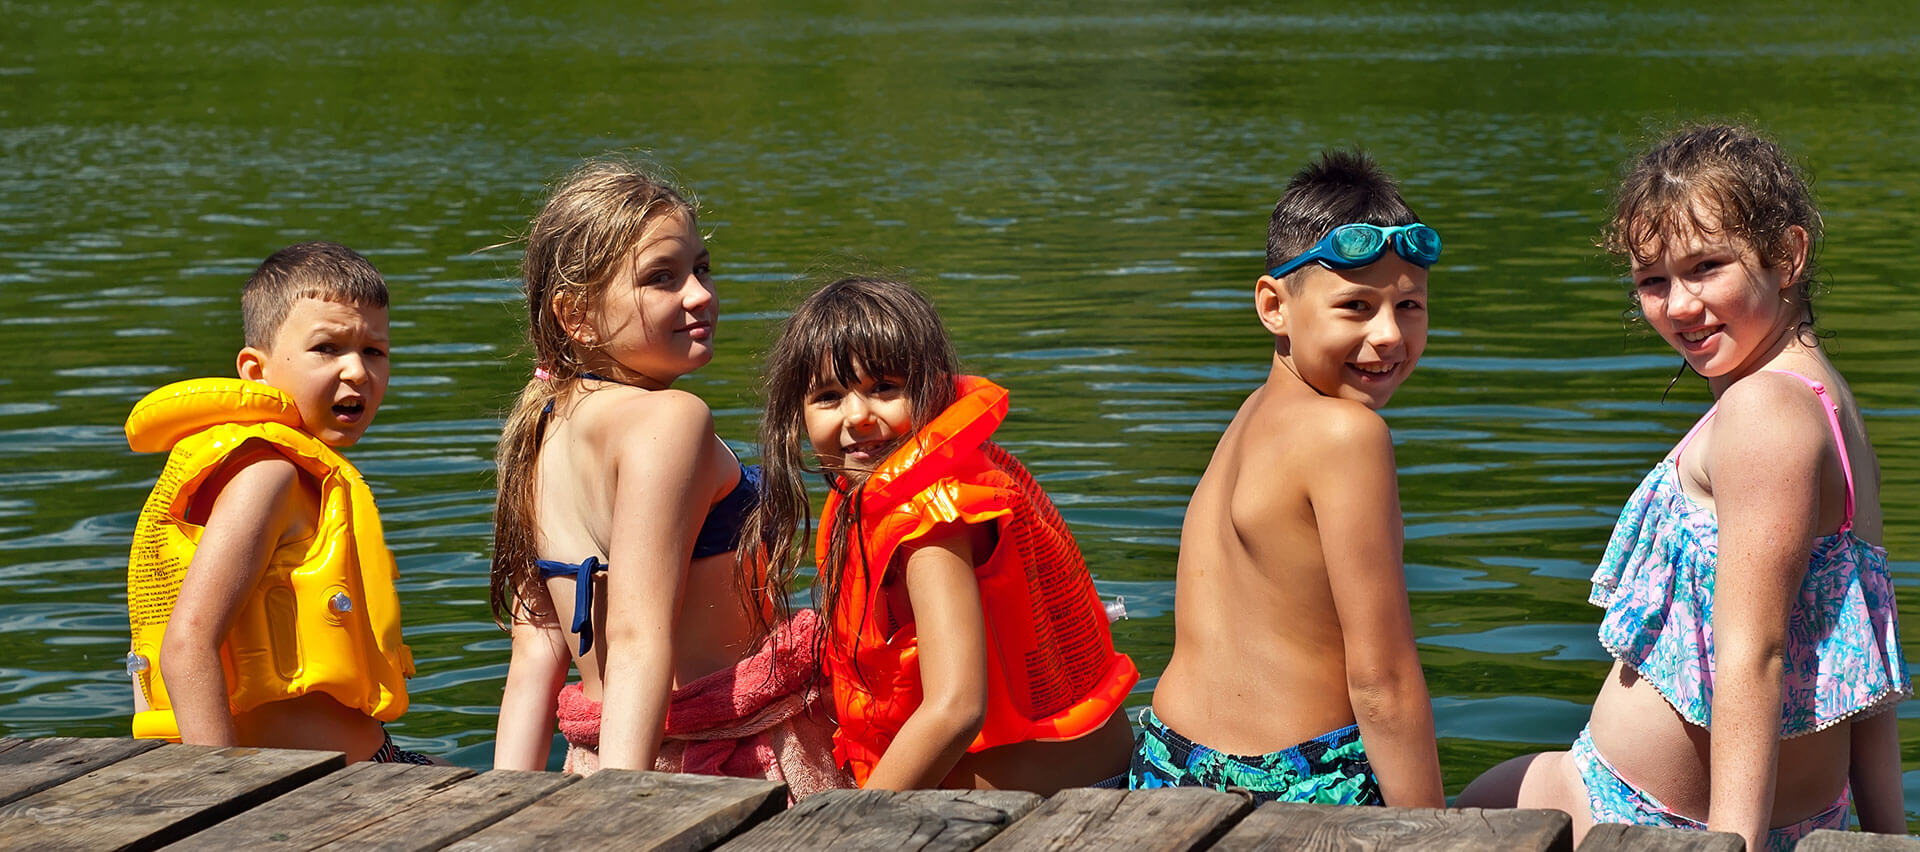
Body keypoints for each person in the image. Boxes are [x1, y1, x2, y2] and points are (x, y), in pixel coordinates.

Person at [1457, 124, 1910, 850]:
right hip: (1779, 820)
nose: (1679, 306)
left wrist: (1728, 844)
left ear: (1788, 256)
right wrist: (1889, 834)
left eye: (1706, 267)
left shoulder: (1765, 412)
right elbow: (1865, 662)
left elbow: (1753, 657)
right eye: (1652, 280)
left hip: (1660, 821)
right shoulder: (1827, 401)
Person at [488, 160, 845, 797]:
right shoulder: (672, 420)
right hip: (729, 765)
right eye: (662, 279)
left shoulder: (538, 426)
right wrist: (623, 814)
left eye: (701, 268)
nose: (701, 294)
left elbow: (537, 653)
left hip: (597, 761)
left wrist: (498, 805)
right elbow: (636, 636)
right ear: (577, 317)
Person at [1132, 152, 1446, 807]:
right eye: (1356, 306)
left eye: (1409, 305)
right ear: (1274, 305)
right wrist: (1431, 834)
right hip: (1296, 778)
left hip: (1167, 760)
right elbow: (1382, 682)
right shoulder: (1347, 435)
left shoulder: (1253, 415)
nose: (1388, 335)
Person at [742, 276, 1139, 793]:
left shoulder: (934, 522)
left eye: (884, 388)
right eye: (829, 396)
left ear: (932, 388)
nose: (858, 416)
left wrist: (851, 822)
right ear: (798, 414)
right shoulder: (872, 496)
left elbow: (957, 708)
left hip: (1056, 808)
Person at [124, 241, 427, 764]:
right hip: (306, 788)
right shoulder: (267, 475)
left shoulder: (297, 472)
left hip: (368, 763)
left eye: (374, 351)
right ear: (255, 371)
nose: (357, 371)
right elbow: (186, 645)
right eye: (327, 348)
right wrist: (224, 797)